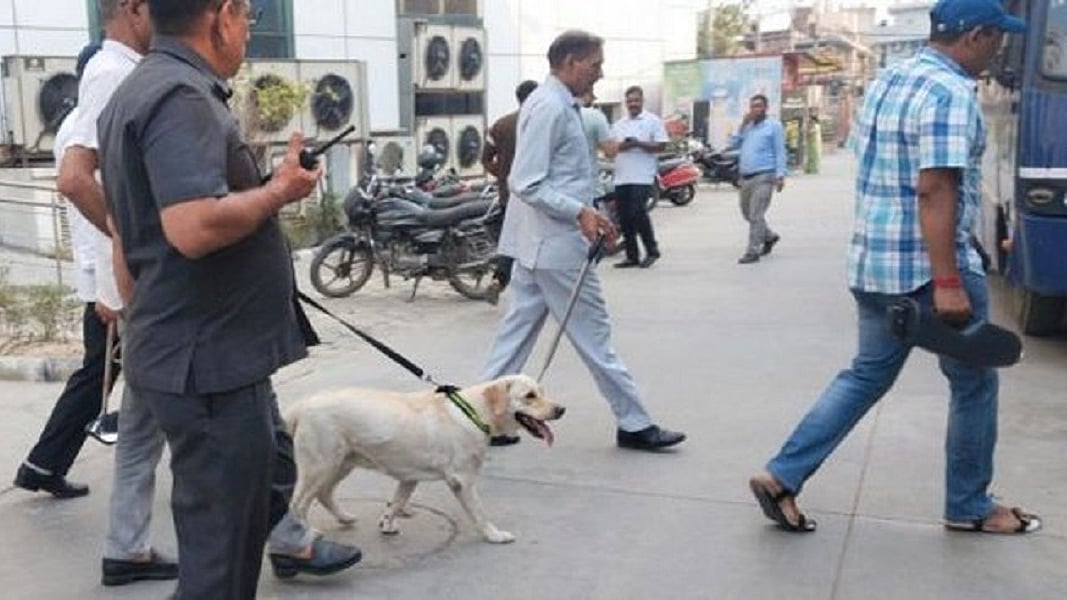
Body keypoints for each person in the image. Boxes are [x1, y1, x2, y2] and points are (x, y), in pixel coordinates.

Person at [97, 1, 359, 597]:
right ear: (220, 16)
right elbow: (191, 227)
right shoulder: (180, 97)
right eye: (246, 16)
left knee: (226, 540)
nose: (249, 30)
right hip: (207, 364)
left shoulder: (139, 89)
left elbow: (125, 228)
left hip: (193, 353)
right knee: (221, 561)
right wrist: (280, 192)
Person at [749, 0, 1040, 536]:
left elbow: (873, 164)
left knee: (865, 376)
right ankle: (970, 504)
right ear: (975, 35)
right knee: (975, 383)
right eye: (996, 37)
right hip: (928, 272)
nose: (999, 48)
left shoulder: (889, 80)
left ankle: (781, 474)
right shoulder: (950, 92)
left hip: (873, 265)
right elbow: (935, 187)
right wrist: (949, 281)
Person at [480, 29, 685, 452]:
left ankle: (486, 419)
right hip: (556, 248)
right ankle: (635, 422)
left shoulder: (561, 105)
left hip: (540, 246)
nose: (599, 73)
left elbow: (566, 177)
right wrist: (581, 212)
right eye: (594, 65)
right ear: (570, 62)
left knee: (515, 336)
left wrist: (591, 212)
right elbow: (525, 182)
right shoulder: (550, 106)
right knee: (596, 339)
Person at [11, 42, 111, 501]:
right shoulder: (87, 128)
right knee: (99, 375)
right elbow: (93, 210)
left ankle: (43, 463)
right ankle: (43, 462)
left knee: (103, 374)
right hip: (108, 277)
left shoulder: (77, 126)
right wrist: (105, 285)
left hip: (104, 275)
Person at [482, 79, 538, 293]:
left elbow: (486, 159)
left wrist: (503, 175)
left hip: (509, 193)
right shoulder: (541, 122)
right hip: (539, 194)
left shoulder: (501, 124)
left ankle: (500, 278)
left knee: (512, 237)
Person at [610, 85, 666, 269]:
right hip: (622, 176)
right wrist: (624, 146)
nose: (633, 104)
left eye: (636, 100)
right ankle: (631, 256)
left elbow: (661, 146)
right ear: (626, 103)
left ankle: (652, 250)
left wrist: (639, 144)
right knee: (624, 217)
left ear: (642, 101)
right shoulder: (619, 124)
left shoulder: (652, 121)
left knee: (638, 212)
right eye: (630, 101)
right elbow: (611, 147)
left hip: (642, 176)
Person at [734, 93, 786, 264]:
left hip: (765, 175)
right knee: (747, 213)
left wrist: (780, 175)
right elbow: (734, 143)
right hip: (746, 176)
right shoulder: (748, 127)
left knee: (756, 214)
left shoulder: (774, 126)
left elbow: (780, 151)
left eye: (759, 106)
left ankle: (752, 251)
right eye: (753, 106)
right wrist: (742, 124)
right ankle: (769, 236)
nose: (756, 109)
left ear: (766, 108)